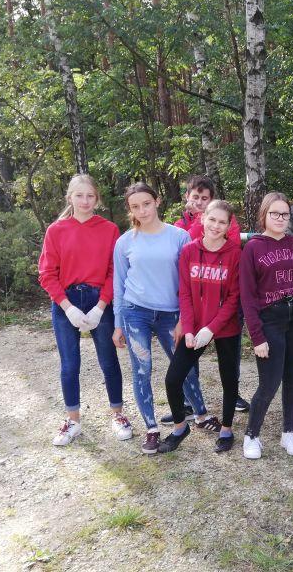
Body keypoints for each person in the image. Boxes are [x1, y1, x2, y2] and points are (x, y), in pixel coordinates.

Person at [113, 183, 218, 455]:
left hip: (171, 313)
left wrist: (185, 317)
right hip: (135, 312)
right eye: (135, 206)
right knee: (142, 370)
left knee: (183, 365)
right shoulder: (124, 242)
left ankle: (201, 414)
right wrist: (117, 324)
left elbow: (188, 282)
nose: (142, 210)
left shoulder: (179, 237)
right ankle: (151, 428)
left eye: (146, 203)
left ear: (157, 201)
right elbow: (119, 285)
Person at [38, 174, 133, 446]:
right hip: (65, 301)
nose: (85, 201)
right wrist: (67, 307)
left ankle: (118, 414)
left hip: (99, 299)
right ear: (70, 197)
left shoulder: (109, 229)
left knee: (108, 360)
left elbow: (115, 272)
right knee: (70, 364)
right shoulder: (56, 230)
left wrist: (101, 306)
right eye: (79, 195)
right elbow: (47, 273)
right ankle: (73, 420)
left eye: (90, 196)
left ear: (97, 198)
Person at [240, 192, 293, 459]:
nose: (280, 218)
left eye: (285, 214)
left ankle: (289, 432)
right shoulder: (253, 247)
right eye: (274, 213)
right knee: (269, 382)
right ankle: (252, 435)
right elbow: (248, 296)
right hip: (270, 319)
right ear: (264, 215)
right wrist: (257, 336)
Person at [163, 174, 248, 420]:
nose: (216, 225)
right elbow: (185, 291)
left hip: (225, 322)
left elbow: (234, 295)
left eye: (222, 222)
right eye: (212, 219)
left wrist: (211, 328)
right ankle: (184, 415)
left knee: (229, 376)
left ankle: (228, 420)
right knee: (178, 373)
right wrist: (188, 327)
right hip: (195, 320)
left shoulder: (233, 248)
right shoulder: (185, 240)